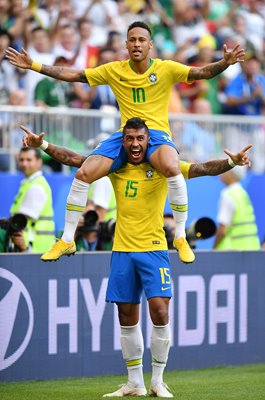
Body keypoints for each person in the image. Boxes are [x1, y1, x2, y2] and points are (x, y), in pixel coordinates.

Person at [20, 118, 252, 398]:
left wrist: (231, 163)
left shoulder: (163, 166)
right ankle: (135, 383)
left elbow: (201, 168)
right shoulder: (114, 165)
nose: (134, 144)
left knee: (160, 311)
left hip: (154, 249)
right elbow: (74, 159)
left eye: (140, 138)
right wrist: (42, 144)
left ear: (148, 140)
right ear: (124, 141)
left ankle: (158, 380)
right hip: (122, 250)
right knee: (126, 317)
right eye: (129, 138)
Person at [6, 20, 245, 265]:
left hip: (156, 135)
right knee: (84, 172)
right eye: (132, 40)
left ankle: (181, 236)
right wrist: (34, 65)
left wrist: (224, 63)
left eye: (142, 40)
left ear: (150, 45)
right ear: (126, 44)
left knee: (174, 168)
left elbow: (200, 73)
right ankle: (67, 239)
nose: (137, 44)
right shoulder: (114, 70)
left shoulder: (165, 68)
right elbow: (76, 75)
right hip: (125, 134)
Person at [10, 147, 55, 253]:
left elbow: (20, 221)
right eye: (21, 160)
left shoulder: (37, 186)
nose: (24, 164)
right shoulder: (28, 183)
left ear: (39, 162)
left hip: (33, 247)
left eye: (29, 160)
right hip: (33, 247)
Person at [213, 166, 260, 251]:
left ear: (232, 175)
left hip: (233, 251)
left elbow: (222, 230)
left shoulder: (227, 194)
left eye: (224, 170)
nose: (221, 173)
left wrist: (214, 248)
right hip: (253, 247)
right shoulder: (243, 193)